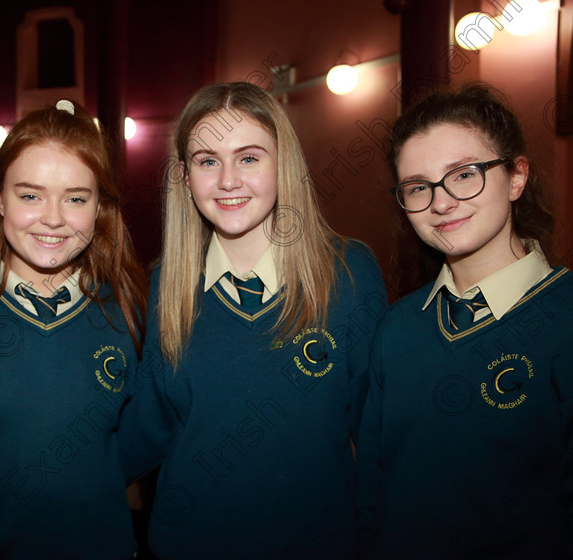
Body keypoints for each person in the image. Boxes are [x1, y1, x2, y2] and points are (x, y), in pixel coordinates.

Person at [118, 81, 387, 559]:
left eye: (248, 157)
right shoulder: (165, 285)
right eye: (207, 161)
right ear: (184, 176)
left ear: (283, 163)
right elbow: (147, 427)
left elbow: (379, 437)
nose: (227, 180)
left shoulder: (349, 273)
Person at [0, 99, 148, 559]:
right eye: (30, 195)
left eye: (76, 198)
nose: (53, 218)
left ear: (99, 207)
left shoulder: (129, 312)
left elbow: (137, 445)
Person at [356, 84, 573, 558]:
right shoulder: (398, 327)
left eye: (464, 174)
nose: (442, 202)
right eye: (418, 187)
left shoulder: (564, 320)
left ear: (516, 176)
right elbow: (373, 490)